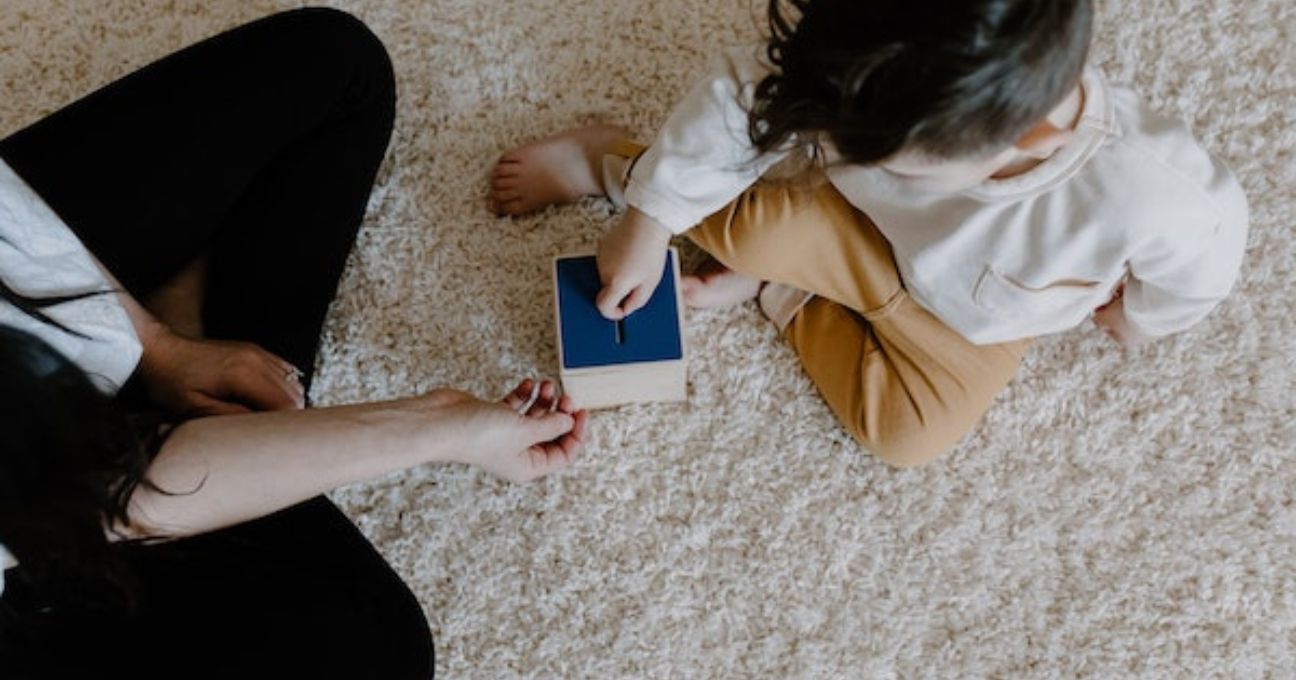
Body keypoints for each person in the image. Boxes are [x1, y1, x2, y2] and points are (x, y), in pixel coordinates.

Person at [0, 8, 587, 679]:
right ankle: (229, 430)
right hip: (42, 536)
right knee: (372, 649)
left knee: (338, 70)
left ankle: (221, 410)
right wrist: (438, 426)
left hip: (44, 402)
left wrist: (159, 344)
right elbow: (120, 495)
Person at [488, 0, 1248, 467]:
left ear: (1030, 138)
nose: (833, 149)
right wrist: (647, 220)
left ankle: (781, 290)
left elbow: (1205, 259)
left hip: (980, 320)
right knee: (750, 218)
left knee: (909, 435)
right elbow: (742, 101)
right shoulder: (856, 56)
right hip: (863, 236)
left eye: (877, 155)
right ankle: (606, 159)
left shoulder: (1150, 191)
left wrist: (1138, 318)